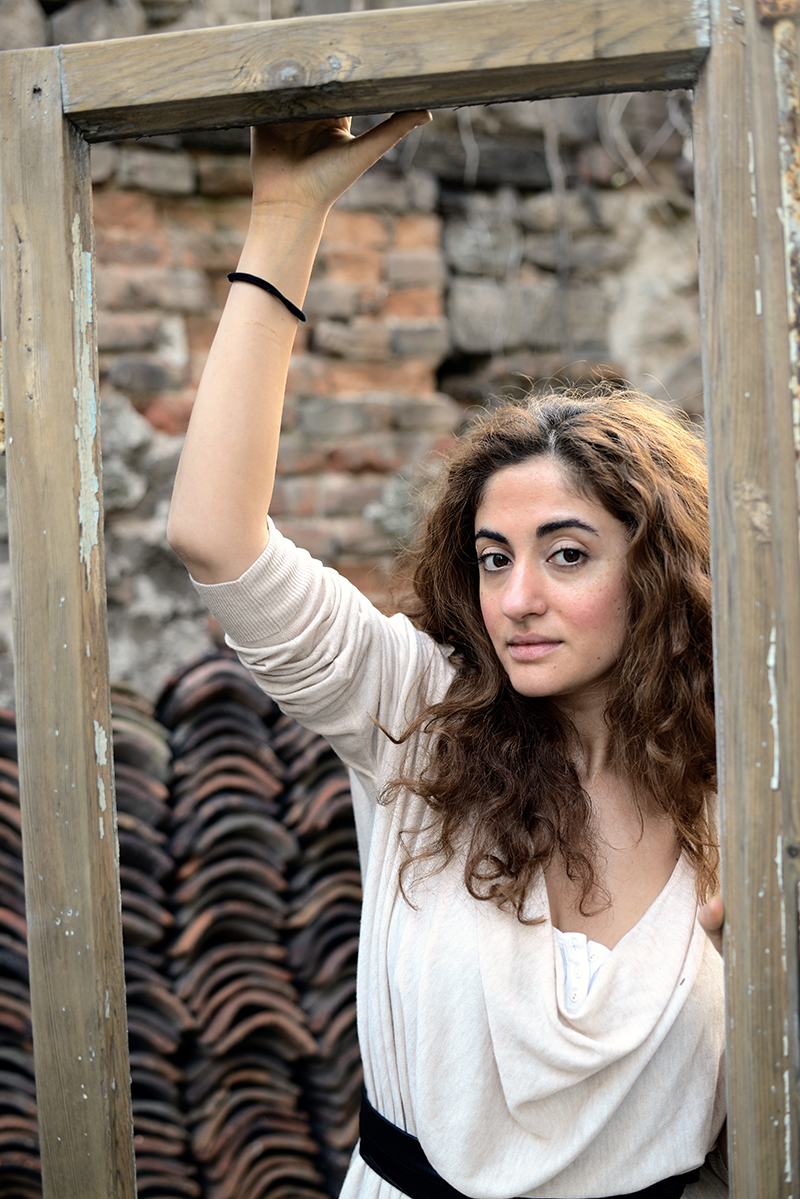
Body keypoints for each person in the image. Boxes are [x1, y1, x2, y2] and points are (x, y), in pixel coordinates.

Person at [167, 113, 728, 1199]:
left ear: (658, 571)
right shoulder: (414, 709)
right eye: (492, 557)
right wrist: (286, 217)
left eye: (567, 554)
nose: (516, 598)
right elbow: (215, 536)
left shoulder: (738, 774)